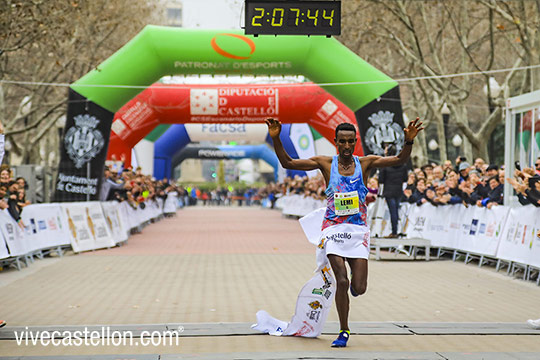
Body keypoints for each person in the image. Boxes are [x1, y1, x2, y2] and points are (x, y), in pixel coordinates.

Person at [266, 117, 424, 347]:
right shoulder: (326, 163)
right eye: (343, 142)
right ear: (336, 142)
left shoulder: (366, 163)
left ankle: (351, 290)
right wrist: (276, 138)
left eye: (351, 141)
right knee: (340, 279)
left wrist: (408, 142)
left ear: (355, 141)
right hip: (332, 229)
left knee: (358, 287)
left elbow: (399, 159)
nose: (347, 146)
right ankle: (344, 330)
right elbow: (288, 163)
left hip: (357, 231)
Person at [378, 144, 408, 238]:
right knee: (396, 211)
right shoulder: (403, 164)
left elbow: (381, 180)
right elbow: (405, 178)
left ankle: (394, 232)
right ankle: (395, 230)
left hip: (389, 191)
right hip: (398, 190)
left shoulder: (385, 164)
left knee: (393, 212)